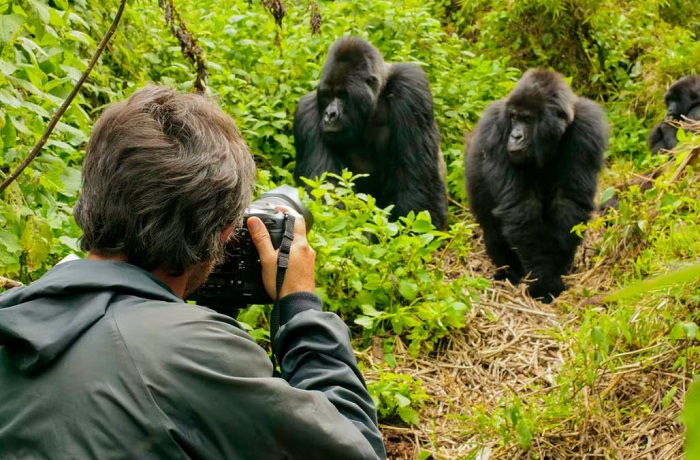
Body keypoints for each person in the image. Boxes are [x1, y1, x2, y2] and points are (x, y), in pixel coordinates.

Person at [0, 86, 386, 459]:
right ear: (221, 236)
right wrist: (300, 306)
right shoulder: (195, 356)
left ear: (91, 194)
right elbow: (358, 448)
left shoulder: (15, 316)